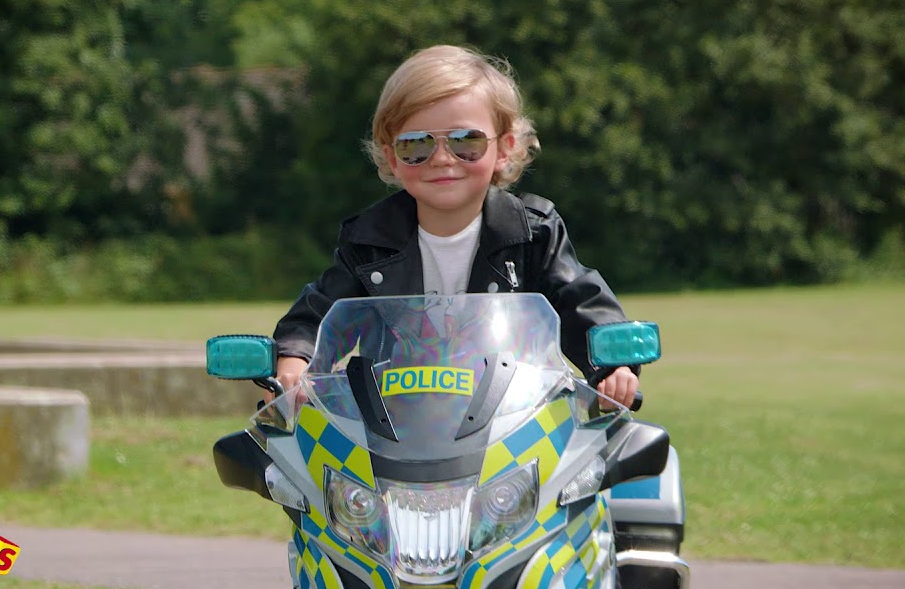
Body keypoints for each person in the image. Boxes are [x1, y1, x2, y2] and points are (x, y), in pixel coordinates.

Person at [272, 44, 640, 407]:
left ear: (505, 147)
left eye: (466, 141)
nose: (443, 159)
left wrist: (611, 366)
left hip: (514, 421)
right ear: (391, 158)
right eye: (416, 145)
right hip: (394, 425)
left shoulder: (534, 233)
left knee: (632, 452)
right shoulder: (369, 240)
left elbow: (580, 302)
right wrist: (296, 358)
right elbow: (318, 313)